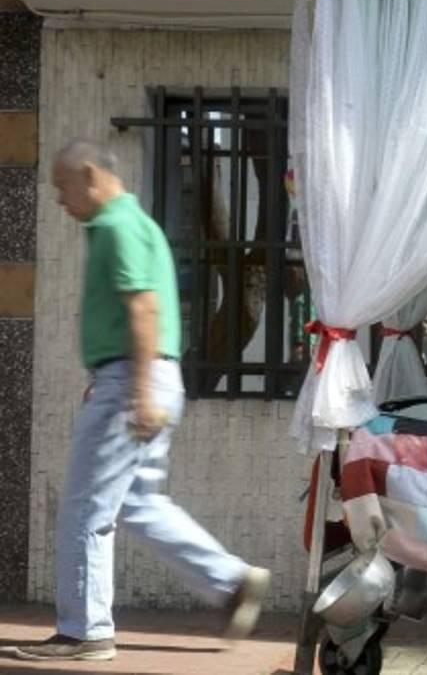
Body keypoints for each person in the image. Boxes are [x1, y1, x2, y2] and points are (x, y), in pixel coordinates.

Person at [16, 141, 270, 663]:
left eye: (62, 186)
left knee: (87, 507)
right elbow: (134, 309)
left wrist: (132, 384)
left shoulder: (114, 227)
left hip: (135, 380)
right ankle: (232, 581)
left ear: (90, 176)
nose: (59, 199)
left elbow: (142, 305)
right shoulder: (138, 224)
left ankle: (85, 631)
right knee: (139, 503)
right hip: (145, 375)